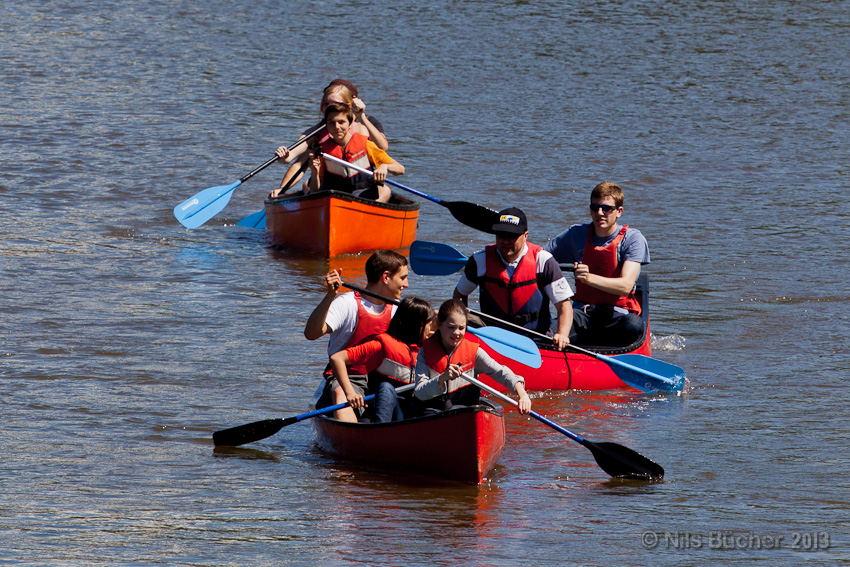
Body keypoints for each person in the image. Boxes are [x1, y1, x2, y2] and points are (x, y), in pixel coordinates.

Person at [543, 182, 650, 347]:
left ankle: (605, 349)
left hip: (617, 317)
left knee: (634, 325)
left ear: (619, 211)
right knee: (544, 332)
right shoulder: (576, 234)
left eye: (607, 209)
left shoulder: (633, 239)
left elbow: (626, 286)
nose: (600, 213)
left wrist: (588, 278)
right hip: (581, 314)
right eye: (595, 207)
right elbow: (541, 257)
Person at [452, 207, 573, 351]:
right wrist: (460, 323)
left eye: (512, 236)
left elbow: (564, 306)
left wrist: (562, 334)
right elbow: (459, 296)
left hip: (535, 338)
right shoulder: (479, 260)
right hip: (492, 336)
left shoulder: (543, 261)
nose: (506, 241)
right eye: (501, 235)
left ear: (525, 235)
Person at [304, 250, 409, 412]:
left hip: (382, 377)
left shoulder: (397, 308)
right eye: (403, 278)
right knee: (341, 396)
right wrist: (330, 295)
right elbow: (311, 334)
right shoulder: (347, 304)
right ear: (386, 277)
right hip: (347, 378)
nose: (406, 284)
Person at [271, 79, 388, 198]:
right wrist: (282, 184)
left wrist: (361, 116)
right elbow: (296, 161)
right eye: (326, 104)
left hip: (361, 184)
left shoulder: (364, 125)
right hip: (331, 186)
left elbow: (382, 147)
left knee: (385, 191)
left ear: (349, 105)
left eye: (334, 104)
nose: (328, 109)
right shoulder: (316, 133)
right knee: (307, 185)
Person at [414, 299, 531, 414]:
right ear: (439, 324)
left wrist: (523, 395)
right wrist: (441, 379)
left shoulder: (474, 352)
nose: (456, 333)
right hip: (434, 413)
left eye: (461, 328)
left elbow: (502, 373)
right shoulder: (425, 352)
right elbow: (419, 392)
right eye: (451, 327)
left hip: (465, 412)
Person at [328, 297, 435, 423]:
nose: (431, 329)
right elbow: (337, 358)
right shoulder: (381, 345)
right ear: (417, 326)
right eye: (429, 325)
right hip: (383, 410)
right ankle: (378, 432)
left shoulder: (427, 347)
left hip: (410, 412)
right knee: (386, 387)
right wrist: (350, 393)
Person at [303, 102, 404, 202]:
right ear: (327, 126)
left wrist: (384, 166)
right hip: (334, 197)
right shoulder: (322, 151)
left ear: (350, 124)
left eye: (341, 122)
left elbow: (400, 169)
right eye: (332, 123)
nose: (337, 127)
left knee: (384, 190)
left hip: (363, 195)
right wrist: (315, 172)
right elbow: (315, 191)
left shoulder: (366, 144)